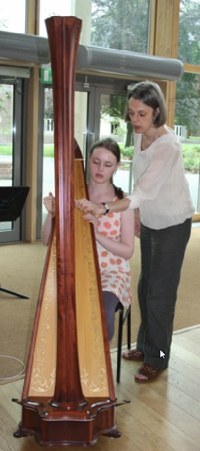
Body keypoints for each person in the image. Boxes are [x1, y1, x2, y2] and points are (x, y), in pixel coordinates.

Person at [75, 81, 195, 383]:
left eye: (142, 114)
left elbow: (140, 192)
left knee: (160, 296)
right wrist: (139, 214)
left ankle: (160, 357)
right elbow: (140, 183)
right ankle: (144, 346)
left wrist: (103, 209)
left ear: (156, 112)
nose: (135, 120)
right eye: (131, 113)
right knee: (144, 289)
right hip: (152, 222)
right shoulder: (142, 135)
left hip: (173, 225)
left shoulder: (168, 146)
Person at [41, 138, 134, 343]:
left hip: (112, 271)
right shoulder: (72, 195)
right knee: (57, 310)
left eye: (108, 164)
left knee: (102, 311)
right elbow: (46, 240)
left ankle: (97, 365)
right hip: (76, 268)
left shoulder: (122, 201)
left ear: (117, 166)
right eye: (95, 161)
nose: (100, 169)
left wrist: (97, 235)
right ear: (87, 160)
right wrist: (52, 214)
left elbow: (128, 251)